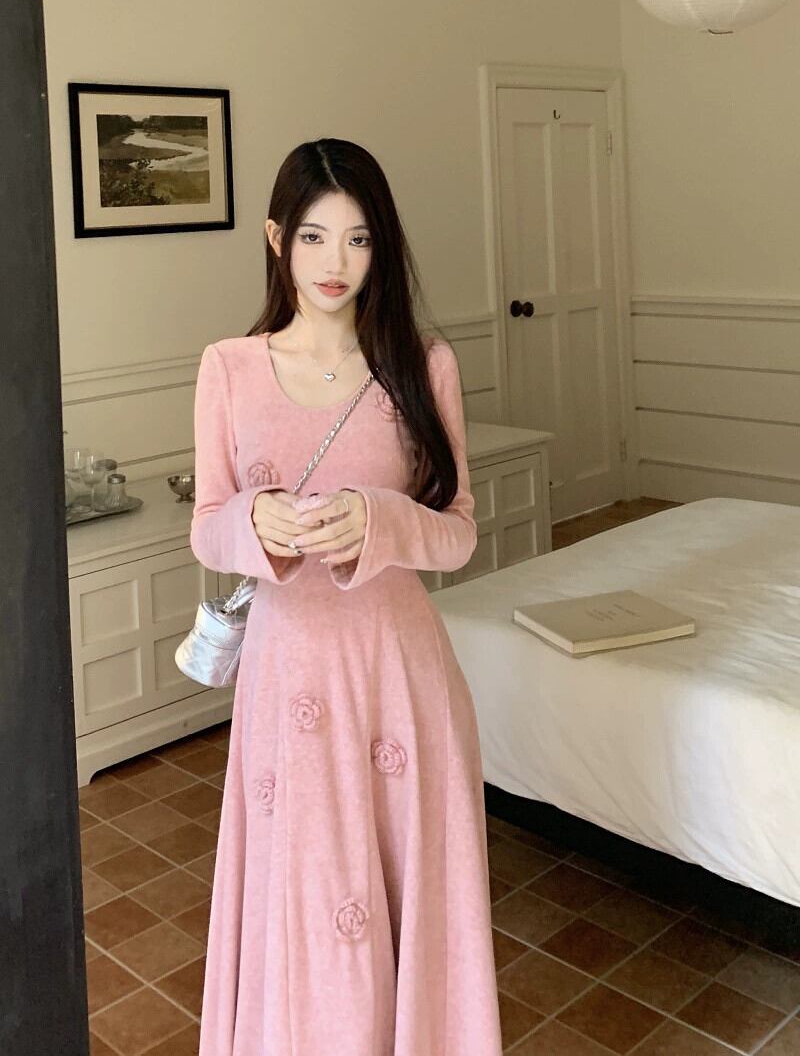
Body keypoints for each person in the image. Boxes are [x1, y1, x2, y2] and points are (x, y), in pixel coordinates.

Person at [191, 137, 503, 1055]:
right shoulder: (229, 367)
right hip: (286, 677)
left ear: (382, 246)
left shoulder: (423, 364)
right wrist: (254, 519)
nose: (336, 262)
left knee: (407, 902)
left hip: (398, 676)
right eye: (315, 237)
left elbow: (458, 531)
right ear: (276, 239)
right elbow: (206, 525)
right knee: (300, 900)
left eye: (359, 239)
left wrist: (379, 519)